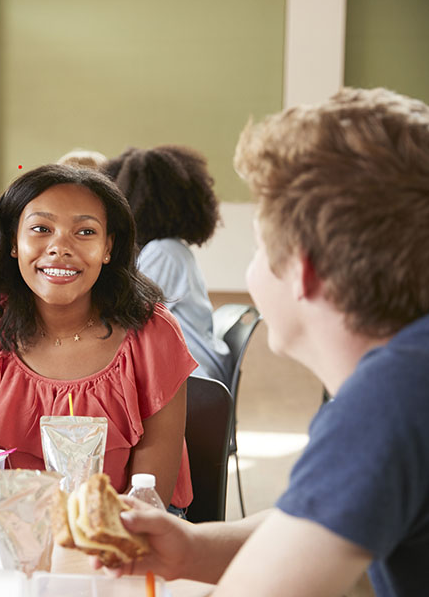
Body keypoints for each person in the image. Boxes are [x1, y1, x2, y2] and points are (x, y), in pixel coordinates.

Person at [94, 88, 429, 597]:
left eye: (258, 246)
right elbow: (314, 516)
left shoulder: (390, 400)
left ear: (303, 271)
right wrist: (190, 548)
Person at [0, 164, 197, 509]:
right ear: (14, 242)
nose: (59, 247)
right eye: (41, 228)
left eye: (85, 232)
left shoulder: (152, 333)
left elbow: (149, 499)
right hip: (19, 525)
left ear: (108, 247)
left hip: (125, 534)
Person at [101, 146, 232, 385]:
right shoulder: (170, 249)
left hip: (192, 378)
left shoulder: (165, 252)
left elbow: (121, 310)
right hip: (189, 371)